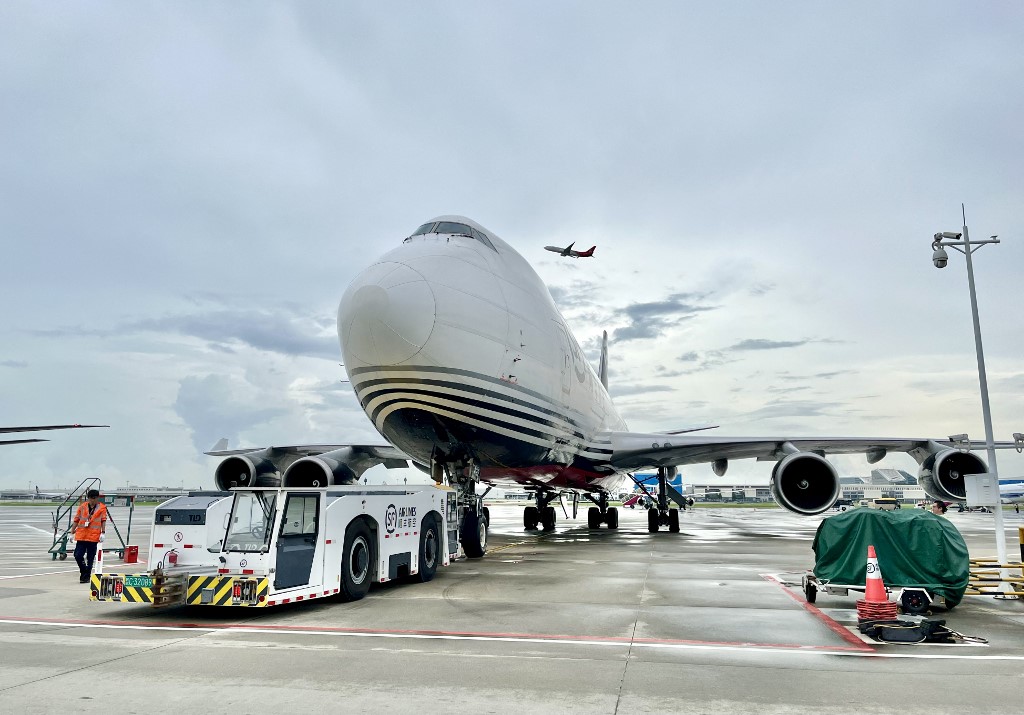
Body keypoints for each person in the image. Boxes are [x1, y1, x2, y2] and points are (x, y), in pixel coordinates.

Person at [71, 489, 107, 583]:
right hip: (82, 536)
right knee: (78, 555)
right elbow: (76, 519)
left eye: (94, 498)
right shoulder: (82, 507)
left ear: (97, 498)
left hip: (93, 537)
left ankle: (85, 577)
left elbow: (103, 520)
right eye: (90, 498)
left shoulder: (102, 508)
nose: (92, 500)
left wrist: (103, 532)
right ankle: (84, 571)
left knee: (90, 558)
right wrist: (71, 533)